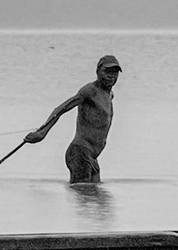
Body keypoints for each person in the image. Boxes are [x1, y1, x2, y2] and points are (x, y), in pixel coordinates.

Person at [22, 55, 123, 183]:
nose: (111, 76)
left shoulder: (109, 95)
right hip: (80, 152)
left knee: (95, 193)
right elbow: (61, 108)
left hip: (92, 157)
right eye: (107, 71)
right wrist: (42, 132)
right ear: (97, 71)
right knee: (82, 190)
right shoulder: (89, 91)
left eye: (114, 72)